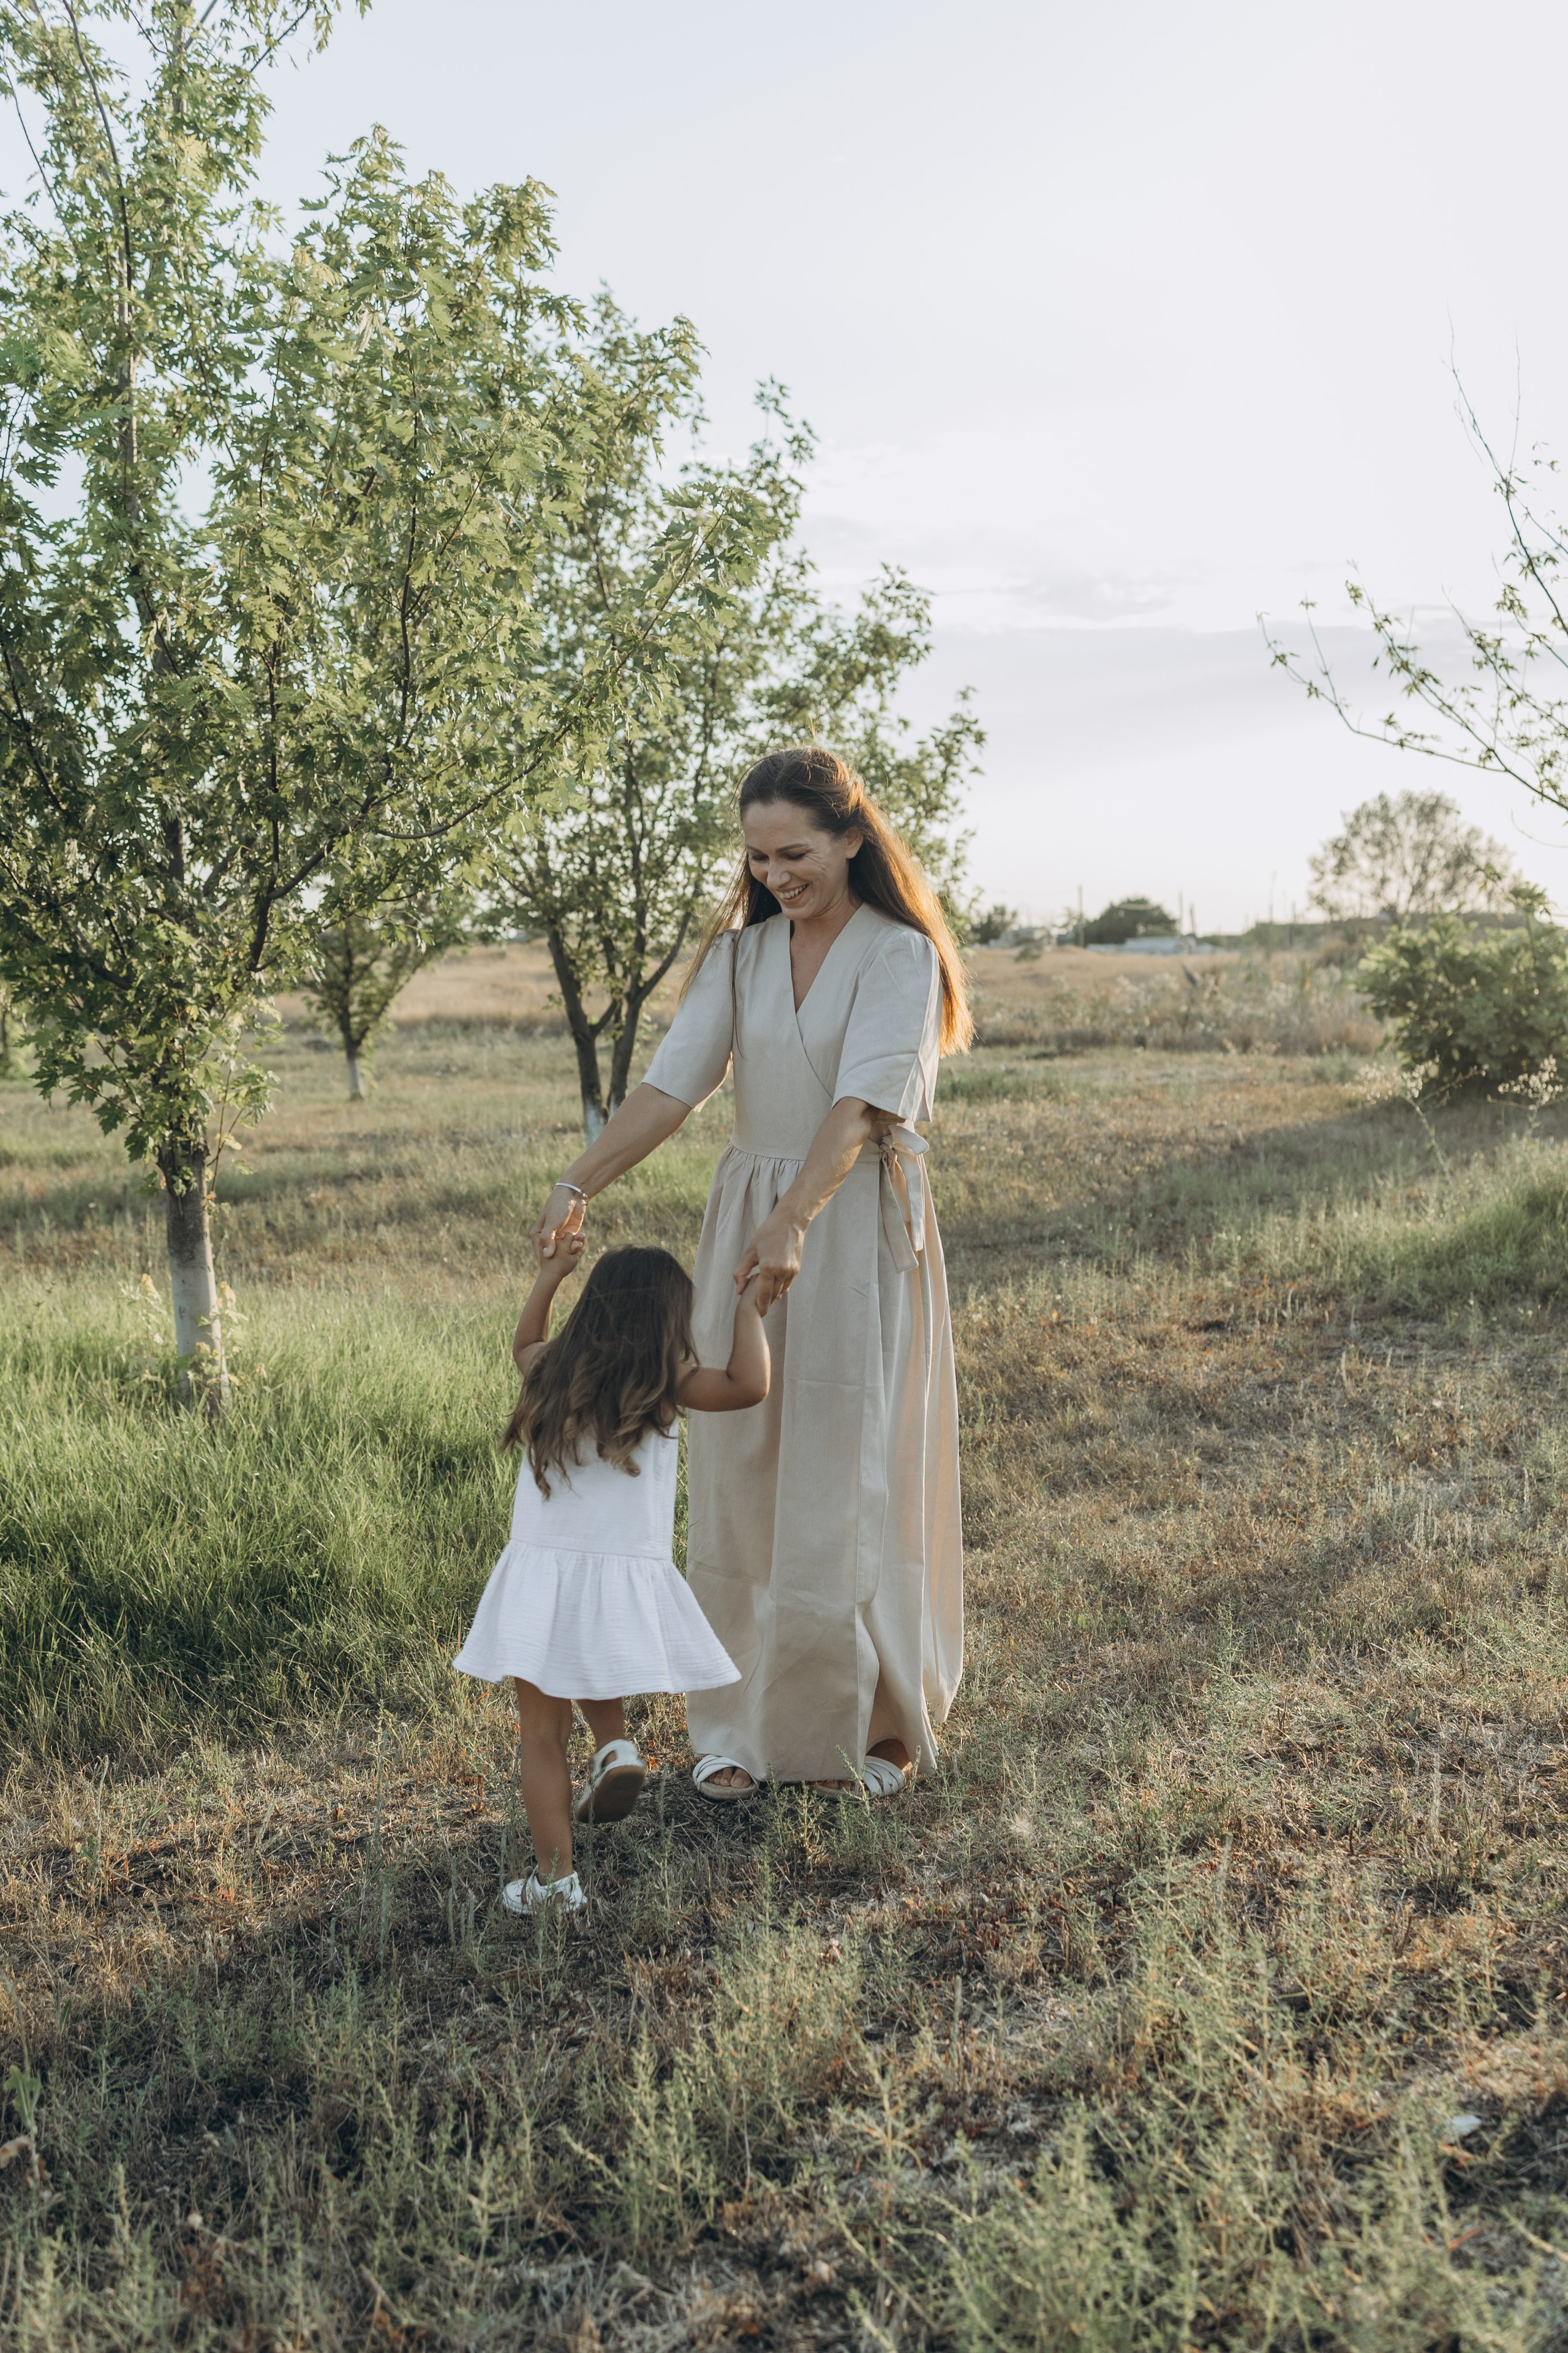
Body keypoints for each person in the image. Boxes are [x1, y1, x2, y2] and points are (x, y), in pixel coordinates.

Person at [530, 745, 968, 1800]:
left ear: (853, 839)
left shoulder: (898, 955)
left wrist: (795, 1217)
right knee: (741, 1475)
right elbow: (671, 1090)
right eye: (760, 856)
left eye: (797, 852)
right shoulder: (738, 958)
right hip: (747, 1220)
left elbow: (860, 1111)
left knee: (848, 1464)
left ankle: (875, 1725)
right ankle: (735, 1728)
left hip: (851, 1210)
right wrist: (578, 1180)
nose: (776, 874)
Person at [453, 1239, 770, 1913]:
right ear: (669, 1323)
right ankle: (615, 1743)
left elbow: (525, 1340)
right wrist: (752, 1307)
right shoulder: (666, 1384)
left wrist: (548, 1275)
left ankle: (556, 1883)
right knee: (592, 1662)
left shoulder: (548, 1373)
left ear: (593, 1308)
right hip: (621, 1573)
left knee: (540, 1735)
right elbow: (750, 1384)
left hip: (542, 1574)